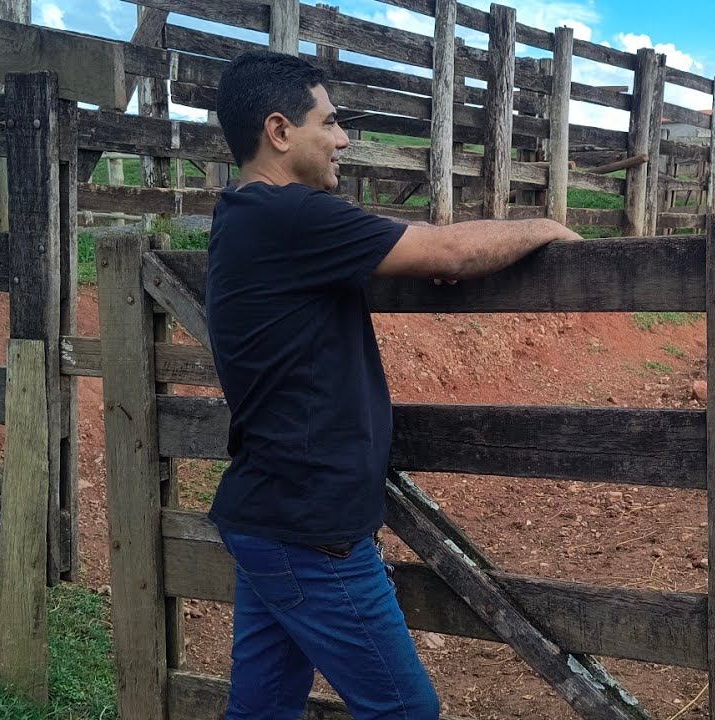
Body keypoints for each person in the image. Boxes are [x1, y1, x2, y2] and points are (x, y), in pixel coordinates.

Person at [204, 49, 580, 720]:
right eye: (330, 122)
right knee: (406, 712)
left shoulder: (246, 217)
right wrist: (547, 225)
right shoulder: (291, 218)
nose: (343, 138)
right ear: (280, 131)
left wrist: (410, 258)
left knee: (260, 712)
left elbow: (414, 255)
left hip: (266, 516)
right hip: (311, 528)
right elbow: (452, 252)